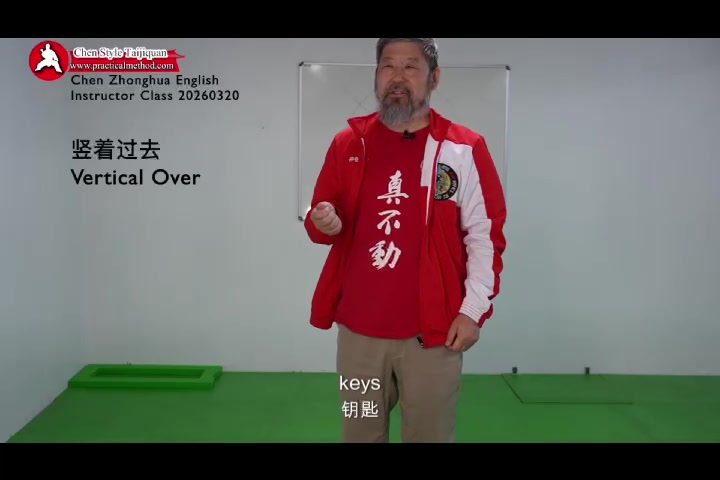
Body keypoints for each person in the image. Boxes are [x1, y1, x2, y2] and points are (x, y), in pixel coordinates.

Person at [304, 38, 507, 443]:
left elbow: (485, 237)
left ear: (434, 78)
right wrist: (324, 221)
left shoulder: (463, 149)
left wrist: (473, 310)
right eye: (387, 66)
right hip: (358, 337)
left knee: (429, 435)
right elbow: (320, 221)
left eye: (410, 67)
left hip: (432, 337)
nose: (397, 77)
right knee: (358, 432)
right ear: (377, 76)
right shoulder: (349, 144)